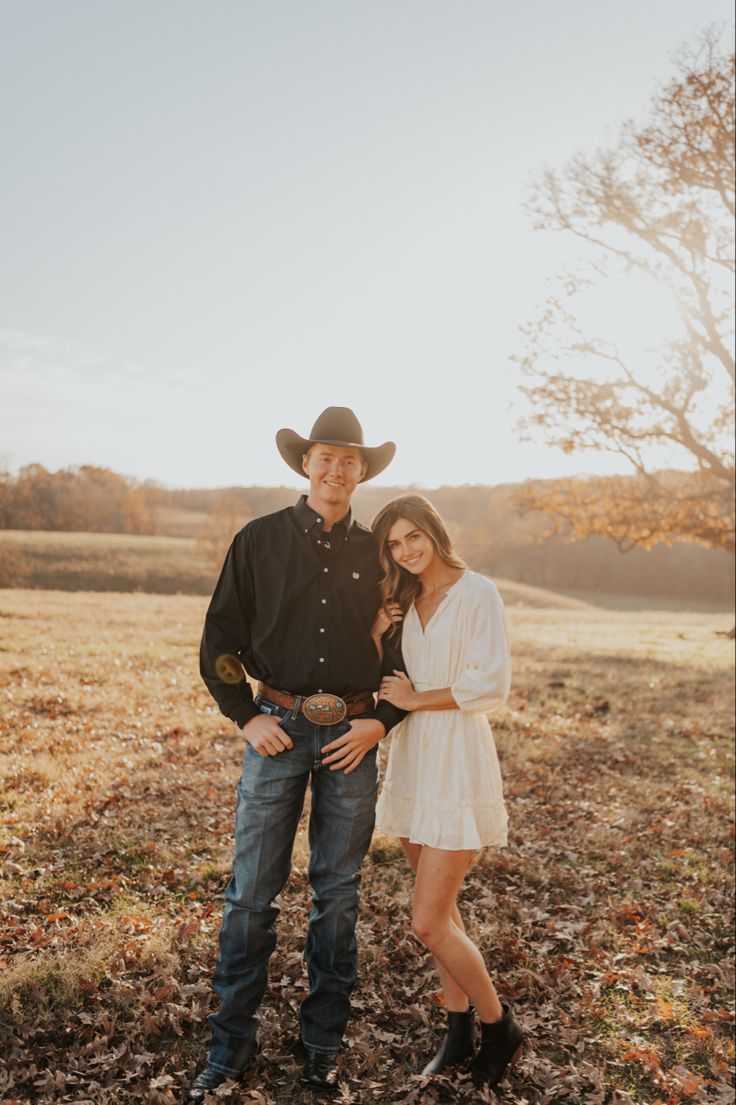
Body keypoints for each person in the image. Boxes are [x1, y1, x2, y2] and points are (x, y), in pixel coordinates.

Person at [186, 407, 405, 1102]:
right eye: (325, 457)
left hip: (352, 735)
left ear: (362, 472)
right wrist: (246, 715)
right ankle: (230, 1045)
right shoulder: (257, 541)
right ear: (305, 464)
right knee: (251, 894)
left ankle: (322, 1044)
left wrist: (384, 721)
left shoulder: (383, 554)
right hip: (275, 727)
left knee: (337, 895)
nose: (336, 469)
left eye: (350, 460)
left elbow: (406, 654)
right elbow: (219, 638)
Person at [370, 494, 524, 1091]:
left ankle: (499, 1024)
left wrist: (416, 699)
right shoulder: (403, 601)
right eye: (394, 543)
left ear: (434, 532)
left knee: (428, 921)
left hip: (457, 757)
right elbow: (378, 671)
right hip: (412, 760)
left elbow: (491, 683)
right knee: (446, 912)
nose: (406, 550)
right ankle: (457, 1027)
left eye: (414, 536)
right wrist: (378, 625)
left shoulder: (477, 592)